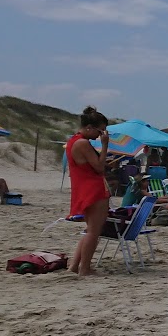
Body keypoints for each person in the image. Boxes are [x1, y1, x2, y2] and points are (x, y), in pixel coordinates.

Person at [66, 107, 112, 275]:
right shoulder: (83, 143)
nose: (100, 135)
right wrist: (105, 145)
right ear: (89, 127)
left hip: (84, 187)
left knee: (90, 230)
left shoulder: (74, 141)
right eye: (100, 131)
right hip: (92, 189)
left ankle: (74, 266)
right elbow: (99, 167)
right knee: (94, 231)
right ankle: (84, 268)